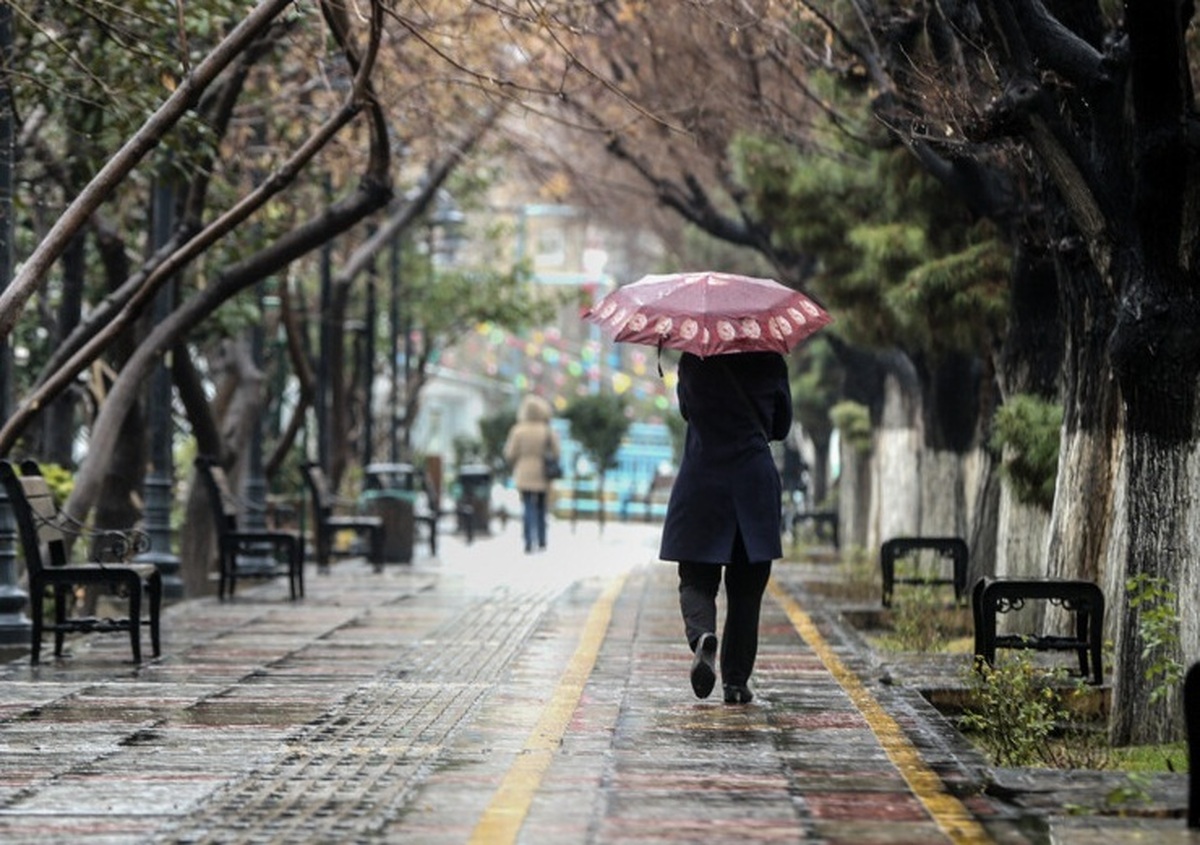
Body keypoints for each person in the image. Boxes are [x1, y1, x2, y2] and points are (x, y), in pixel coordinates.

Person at [659, 351, 793, 704]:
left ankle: (703, 635)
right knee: (746, 592)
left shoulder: (693, 360)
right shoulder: (770, 360)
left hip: (703, 478)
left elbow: (687, 411)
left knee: (695, 578)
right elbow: (781, 428)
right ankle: (735, 683)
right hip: (753, 482)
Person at [504, 394, 561, 553]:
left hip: (524, 471)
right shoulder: (547, 430)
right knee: (542, 507)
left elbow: (510, 453)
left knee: (528, 505)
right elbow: (557, 452)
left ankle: (529, 541)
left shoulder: (518, 430)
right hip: (543, 472)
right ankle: (542, 540)